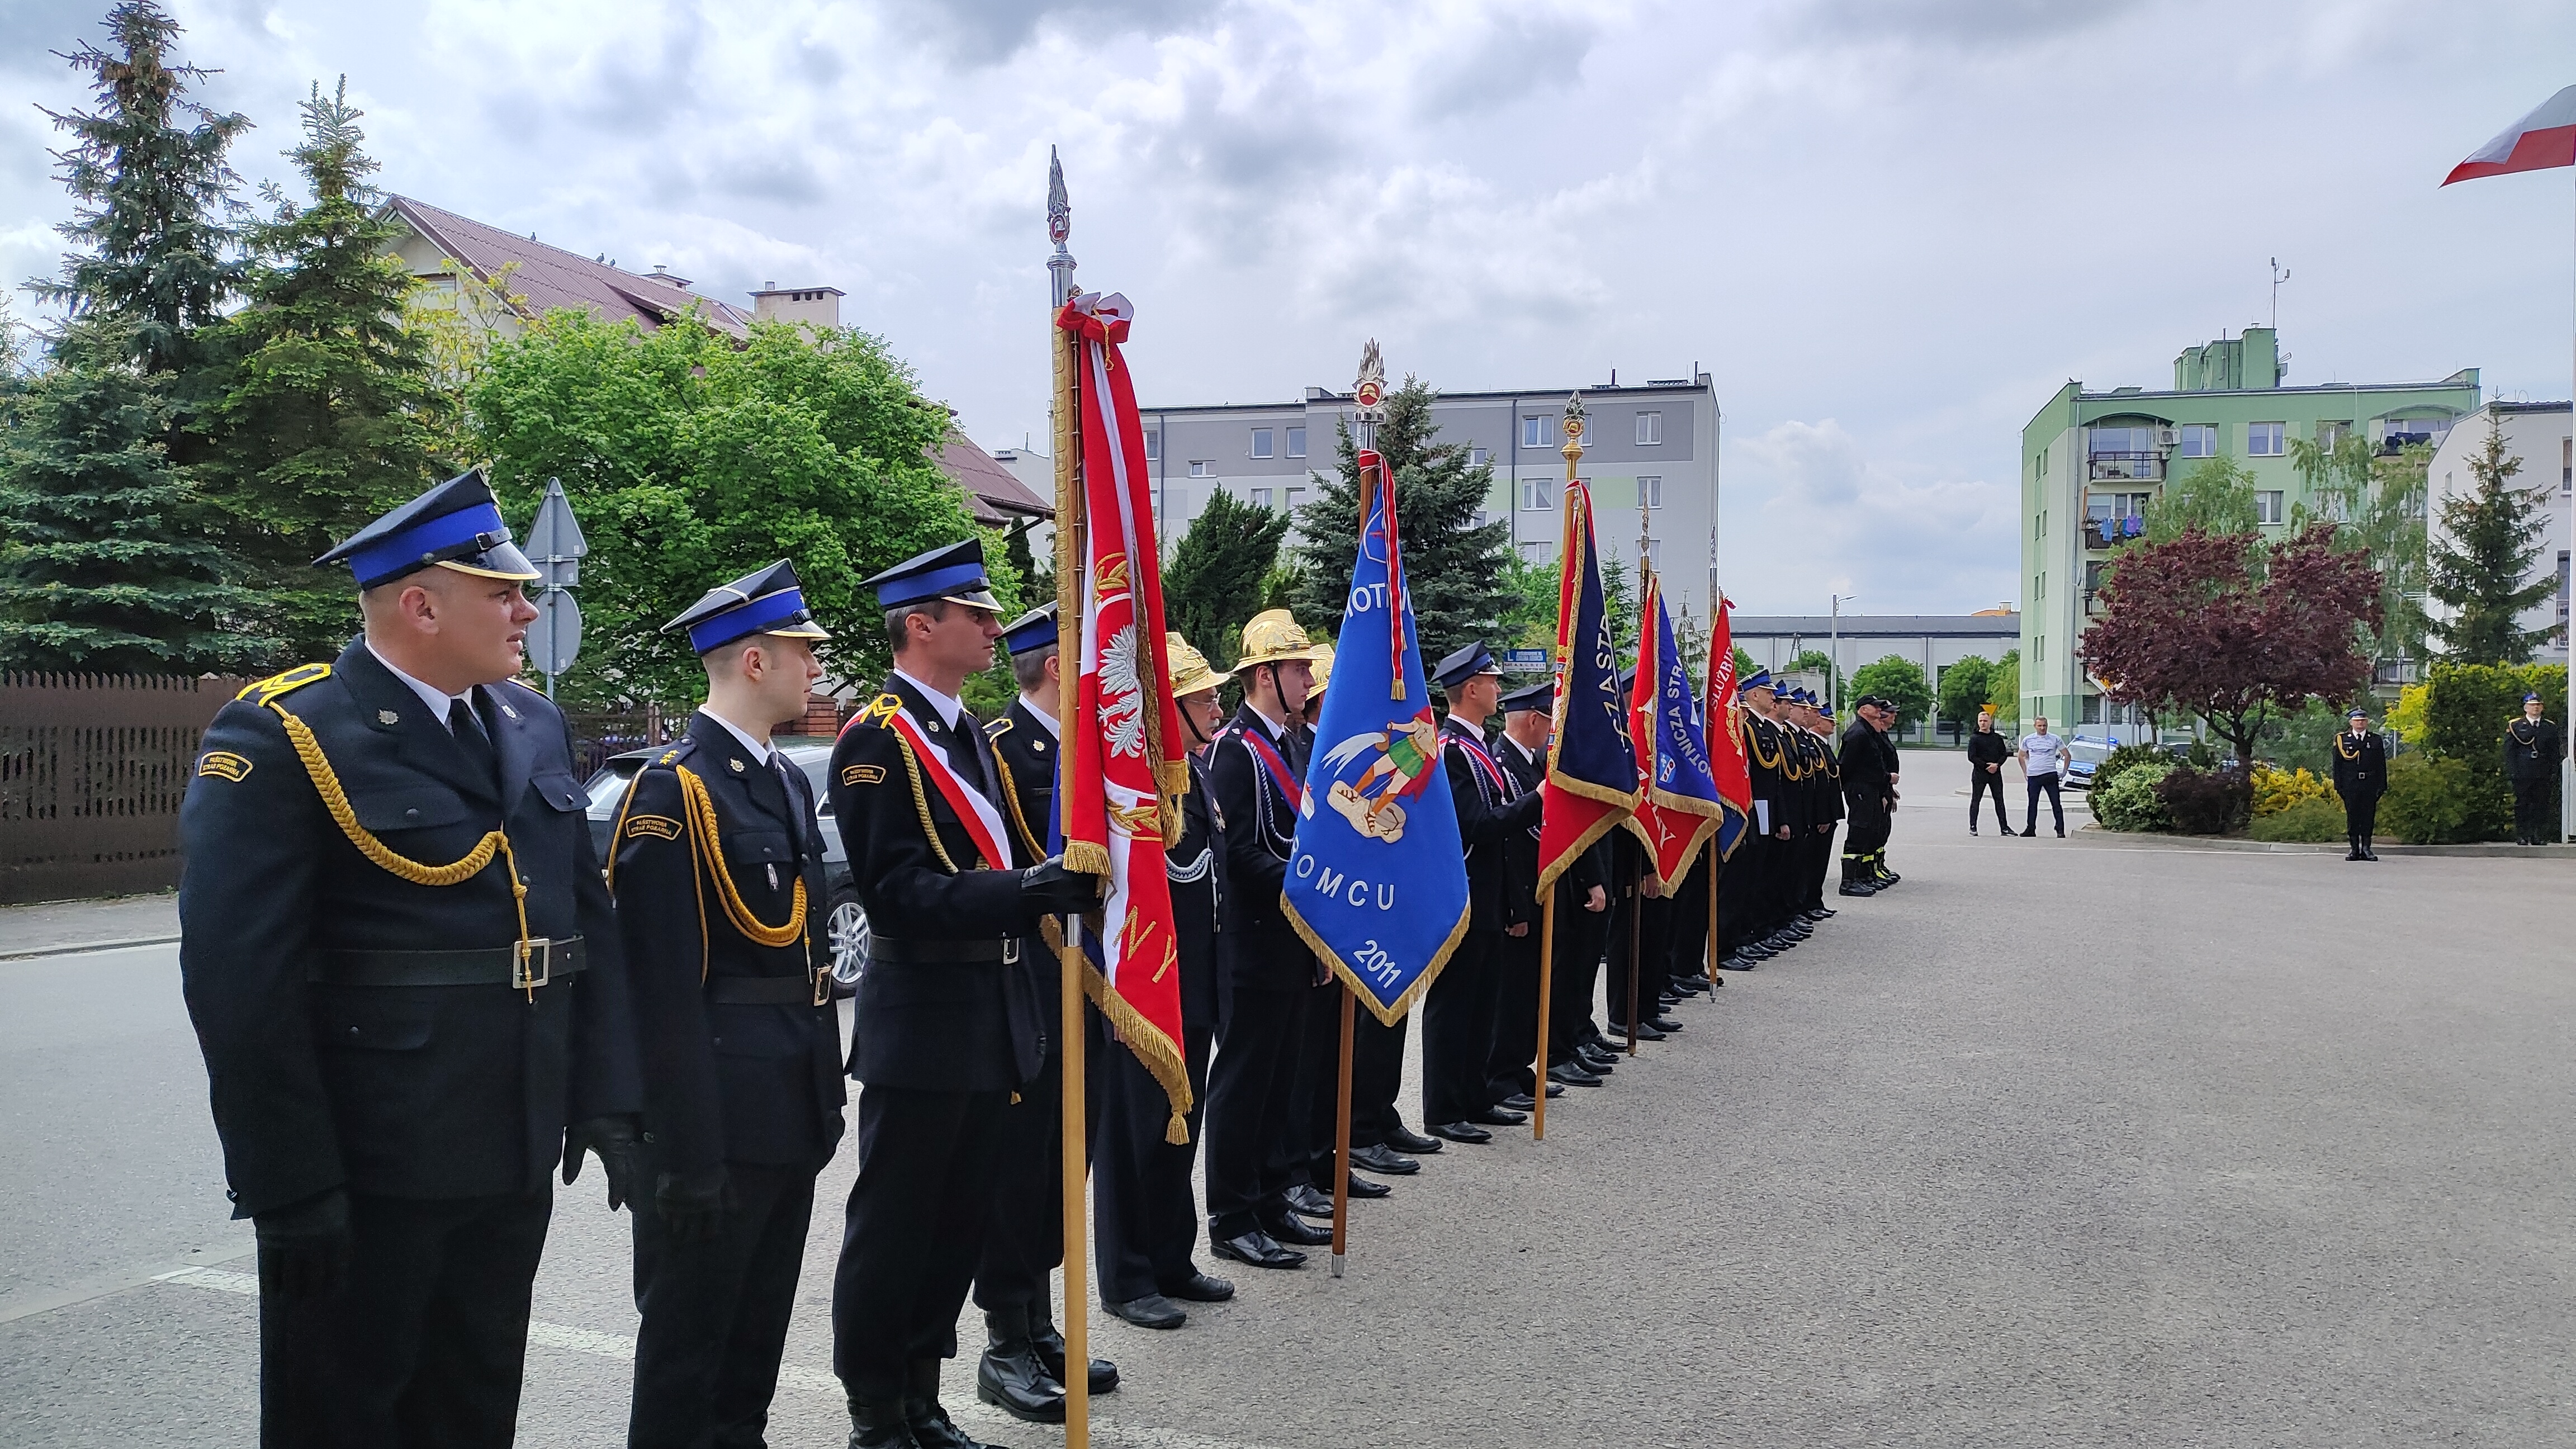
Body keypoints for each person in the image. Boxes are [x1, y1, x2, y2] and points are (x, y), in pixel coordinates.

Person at [177, 470, 643, 1446]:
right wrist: (286, 1181)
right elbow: (239, 984)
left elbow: (578, 928)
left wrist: (604, 1098)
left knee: (472, 1408)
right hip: (370, 1162)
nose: (527, 608)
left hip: (510, 1143)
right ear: (422, 604)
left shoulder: (529, 719)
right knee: (343, 1415)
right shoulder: (286, 732)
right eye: (503, 592)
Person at [825, 538, 1102, 1449]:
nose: (992, 628)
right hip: (923, 1024)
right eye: (974, 614)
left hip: (992, 1019)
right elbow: (896, 890)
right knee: (897, 1227)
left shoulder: (959, 733)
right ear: (920, 625)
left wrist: (1039, 885)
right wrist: (1021, 893)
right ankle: (876, 1407)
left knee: (954, 1229)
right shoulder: (875, 737)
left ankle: (921, 1395)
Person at [612, 561, 845, 1449]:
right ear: (754, 662)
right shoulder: (673, 791)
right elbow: (661, 991)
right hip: (717, 1120)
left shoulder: (782, 780)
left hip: (787, 1104)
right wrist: (684, 1151)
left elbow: (809, 960)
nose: (814, 667)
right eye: (801, 651)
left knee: (754, 1342)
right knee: (688, 1349)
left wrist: (823, 1097)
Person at [972, 602, 1116, 1422]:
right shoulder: (1002, 753)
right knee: (1022, 1169)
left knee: (1070, 1159)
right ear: (1059, 666)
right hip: (1031, 982)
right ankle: (1004, 1340)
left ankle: (1037, 1320)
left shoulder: (1082, 756)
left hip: (1085, 982)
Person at [1095, 634, 1238, 1330]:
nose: (1216, 705)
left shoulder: (1196, 772)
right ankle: (1126, 1276)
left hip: (1197, 984)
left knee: (1181, 1128)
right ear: (1170, 709)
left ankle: (1170, 1258)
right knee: (1133, 1135)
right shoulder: (1140, 784)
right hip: (1148, 985)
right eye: (1202, 697)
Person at [1201, 609, 1334, 1269]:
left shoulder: (1288, 743)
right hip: (1254, 946)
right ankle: (1232, 1214)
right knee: (1245, 1083)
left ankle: (1274, 1197)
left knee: (1285, 1079)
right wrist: (1310, 880)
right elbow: (1239, 855)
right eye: (1298, 668)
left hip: (1292, 941)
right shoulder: (1235, 749)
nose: (1309, 679)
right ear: (1264, 676)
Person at [1424, 643, 1546, 1142]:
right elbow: (1476, 825)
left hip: (1493, 897)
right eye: (1492, 682)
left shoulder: (1479, 749)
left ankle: (1474, 1096)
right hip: (1465, 897)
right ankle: (1443, 1107)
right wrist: (1538, 801)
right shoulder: (1452, 751)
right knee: (1454, 1006)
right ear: (1470, 690)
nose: (1499, 689)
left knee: (1482, 1005)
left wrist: (1515, 902)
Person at [1839, 694, 1895, 894]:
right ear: (1863, 710)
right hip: (1861, 789)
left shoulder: (1868, 732)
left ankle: (1863, 876)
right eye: (1875, 707)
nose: (1879, 710)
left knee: (1869, 832)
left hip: (1870, 789)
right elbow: (1847, 766)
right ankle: (1848, 882)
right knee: (1859, 832)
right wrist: (1854, 790)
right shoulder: (1858, 734)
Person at [2329, 708, 2389, 862]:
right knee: (2353, 816)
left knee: (2368, 817)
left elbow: (2381, 764)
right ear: (2351, 723)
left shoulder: (2375, 740)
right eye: (2357, 721)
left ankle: (2367, 849)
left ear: (2367, 722)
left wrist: (2382, 786)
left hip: (2369, 784)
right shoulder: (2343, 740)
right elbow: (2337, 765)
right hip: (2351, 784)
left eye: (2363, 720)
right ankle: (2354, 849)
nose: (2360, 723)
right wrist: (2339, 786)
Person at [2506, 693, 2564, 846]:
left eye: (2538, 705)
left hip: (2542, 772)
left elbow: (2554, 752)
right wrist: (2513, 772)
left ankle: (2538, 835)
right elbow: (2510, 751)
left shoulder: (2549, 727)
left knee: (2541, 804)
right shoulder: (2516, 726)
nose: (2535, 708)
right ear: (2526, 708)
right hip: (2523, 771)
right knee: (2522, 804)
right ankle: (2522, 835)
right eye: (2532, 705)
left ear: (2542, 707)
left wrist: (2554, 771)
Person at [2017, 715, 2067, 839]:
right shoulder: (2028, 740)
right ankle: (2031, 829)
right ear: (2035, 726)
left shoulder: (2055, 739)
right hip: (2034, 775)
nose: (2042, 728)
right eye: (2039, 726)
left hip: (2050, 774)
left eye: (2044, 726)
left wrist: (2064, 771)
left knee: (2056, 803)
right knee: (2033, 803)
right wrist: (2025, 772)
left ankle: (2060, 829)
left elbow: (2067, 755)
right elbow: (2021, 756)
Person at [1967, 711, 2010, 836]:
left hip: (1995, 773)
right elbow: (1972, 757)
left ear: (1990, 722)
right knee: (1976, 800)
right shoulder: (1974, 738)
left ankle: (2004, 827)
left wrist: (1997, 765)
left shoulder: (1996, 738)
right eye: (1981, 721)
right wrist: (1986, 766)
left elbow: (2004, 754)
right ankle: (1973, 826)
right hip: (1980, 773)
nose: (1983, 723)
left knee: (1999, 800)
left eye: (1985, 721)